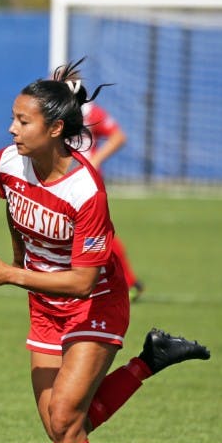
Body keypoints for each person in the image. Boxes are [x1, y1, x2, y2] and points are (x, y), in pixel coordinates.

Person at [0, 60, 209, 443]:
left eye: (23, 121)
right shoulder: (6, 162)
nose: (12, 128)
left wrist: (11, 275)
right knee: (60, 424)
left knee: (68, 417)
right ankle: (149, 361)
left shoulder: (86, 190)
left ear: (55, 129)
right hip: (45, 301)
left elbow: (81, 281)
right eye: (12, 117)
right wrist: (20, 267)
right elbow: (15, 216)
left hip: (94, 301)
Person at [77, 99, 144, 301]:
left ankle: (127, 282)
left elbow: (118, 136)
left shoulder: (88, 112)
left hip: (84, 181)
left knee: (96, 232)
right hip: (63, 180)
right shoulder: (51, 111)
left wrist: (95, 160)